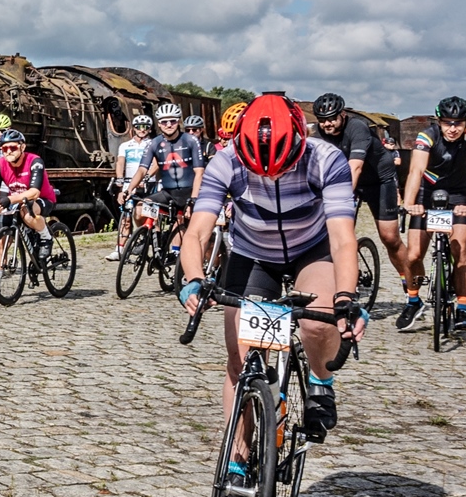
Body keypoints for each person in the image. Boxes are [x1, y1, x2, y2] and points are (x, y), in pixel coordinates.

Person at [179, 93, 365, 462]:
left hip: (311, 249)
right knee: (240, 360)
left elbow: (344, 239)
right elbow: (197, 232)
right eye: (259, 170)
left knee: (317, 323)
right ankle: (237, 457)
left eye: (282, 167)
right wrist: (194, 278)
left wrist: (346, 297)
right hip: (253, 254)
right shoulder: (225, 161)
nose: (271, 176)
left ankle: (320, 380)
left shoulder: (326, 159)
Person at [398, 96, 466, 329]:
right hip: (427, 193)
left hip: (459, 194)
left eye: (458, 123)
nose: (453, 128)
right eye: (447, 123)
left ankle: (462, 308)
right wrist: (409, 204)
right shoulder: (427, 135)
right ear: (439, 121)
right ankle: (413, 300)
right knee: (413, 255)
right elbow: (415, 171)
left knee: (460, 248)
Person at [309, 92, 406, 283]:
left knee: (390, 237)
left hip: (378, 180)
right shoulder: (319, 134)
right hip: (346, 180)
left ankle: (409, 283)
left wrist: (341, 200)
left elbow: (355, 167)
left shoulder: (357, 128)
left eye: (331, 118)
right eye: (322, 120)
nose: (327, 124)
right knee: (333, 234)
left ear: (342, 114)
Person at [0, 129, 57, 296]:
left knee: (27, 213)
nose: (8, 151)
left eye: (13, 148)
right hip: (16, 200)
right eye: (4, 148)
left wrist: (9, 200)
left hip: (42, 199)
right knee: (0, 242)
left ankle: (46, 237)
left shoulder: (35, 161)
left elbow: (34, 192)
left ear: (22, 147)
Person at [128, 103, 205, 243]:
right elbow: (142, 170)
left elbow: (199, 172)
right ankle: (148, 239)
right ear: (159, 124)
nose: (169, 125)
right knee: (139, 209)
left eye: (173, 121)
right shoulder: (154, 143)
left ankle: (178, 251)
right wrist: (129, 189)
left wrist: (194, 198)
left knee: (187, 229)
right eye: (164, 122)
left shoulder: (191, 140)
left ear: (178, 121)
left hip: (190, 192)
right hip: (168, 193)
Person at [109, 114, 154, 260]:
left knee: (141, 214)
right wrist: (119, 179)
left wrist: (146, 177)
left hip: (148, 184)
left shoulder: (153, 144)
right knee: (126, 218)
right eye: (139, 127)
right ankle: (119, 249)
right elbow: (120, 162)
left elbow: (155, 164)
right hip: (129, 183)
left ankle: (144, 238)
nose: (142, 129)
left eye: (145, 127)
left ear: (150, 129)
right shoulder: (125, 146)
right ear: (134, 128)